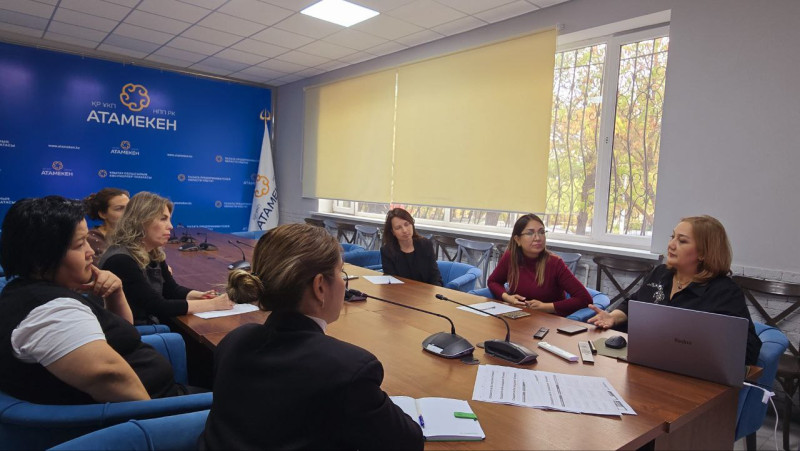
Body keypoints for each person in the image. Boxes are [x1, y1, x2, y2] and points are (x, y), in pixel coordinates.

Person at [200, 224, 424, 450]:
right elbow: (408, 442)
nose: (343, 283)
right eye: (340, 273)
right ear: (319, 287)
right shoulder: (348, 369)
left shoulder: (234, 340)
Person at [0, 196, 189, 404]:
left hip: (162, 396)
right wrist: (159, 416)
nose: (90, 252)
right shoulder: (53, 312)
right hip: (156, 410)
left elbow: (122, 333)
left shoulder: (31, 291)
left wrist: (115, 294)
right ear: (41, 258)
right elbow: (109, 375)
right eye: (80, 244)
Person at [587, 215, 762, 365]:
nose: (671, 245)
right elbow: (634, 303)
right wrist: (613, 317)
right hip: (646, 362)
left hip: (691, 373)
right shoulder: (660, 273)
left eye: (682, 241)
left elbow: (748, 350)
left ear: (704, 253)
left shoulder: (725, 292)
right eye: (672, 237)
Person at [99, 192, 231, 325]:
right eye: (163, 219)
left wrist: (201, 296)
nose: (171, 226)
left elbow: (171, 290)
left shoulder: (152, 251)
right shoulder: (120, 260)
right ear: (141, 221)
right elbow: (156, 306)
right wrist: (213, 304)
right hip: (135, 330)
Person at [487, 214, 591, 316]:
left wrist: (546, 307)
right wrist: (507, 297)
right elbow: (493, 281)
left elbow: (584, 298)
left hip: (549, 320)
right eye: (530, 233)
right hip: (519, 316)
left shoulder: (555, 263)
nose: (538, 238)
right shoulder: (510, 257)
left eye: (541, 232)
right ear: (517, 239)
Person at [380, 208, 442, 286]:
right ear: (393, 232)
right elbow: (390, 282)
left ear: (412, 224)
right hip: (401, 292)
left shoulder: (425, 245)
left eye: (407, 224)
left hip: (426, 291)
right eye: (398, 228)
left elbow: (435, 276)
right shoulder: (387, 251)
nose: (405, 230)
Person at [84, 188, 130, 264]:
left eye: (129, 207)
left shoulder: (135, 236)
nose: (128, 212)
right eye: (119, 208)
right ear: (103, 214)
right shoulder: (91, 239)